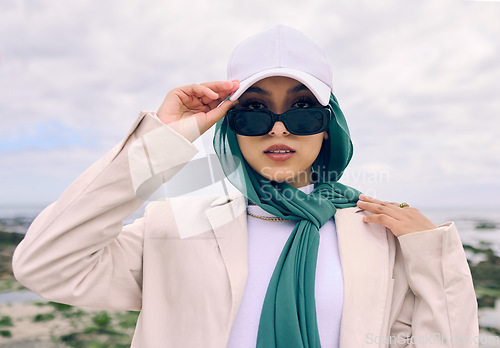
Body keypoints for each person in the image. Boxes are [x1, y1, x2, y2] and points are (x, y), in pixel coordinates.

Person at [13, 25, 478, 347]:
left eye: (301, 111)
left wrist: (433, 256)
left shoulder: (378, 233)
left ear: (327, 126)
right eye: (254, 111)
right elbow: (46, 265)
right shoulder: (173, 228)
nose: (279, 129)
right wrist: (159, 144)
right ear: (228, 126)